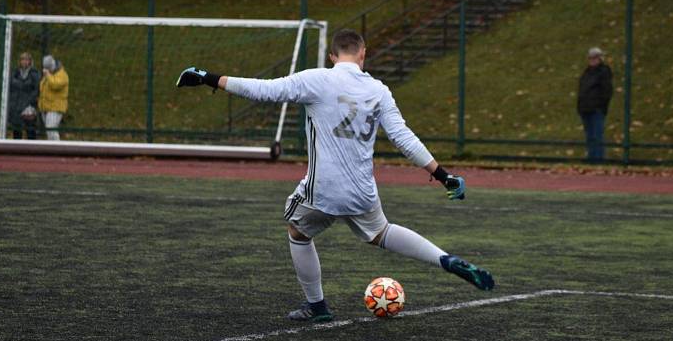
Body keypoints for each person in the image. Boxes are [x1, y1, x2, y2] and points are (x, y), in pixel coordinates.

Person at [177, 29, 495, 322]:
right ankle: (445, 260)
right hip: (362, 191)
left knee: (297, 232)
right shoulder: (379, 90)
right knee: (381, 232)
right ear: (362, 54)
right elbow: (404, 138)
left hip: (324, 189)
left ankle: (317, 307)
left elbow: (264, 90)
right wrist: (442, 175)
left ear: (332, 57)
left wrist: (210, 78)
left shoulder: (317, 79)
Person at [577, 47, 613, 162]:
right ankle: (591, 158)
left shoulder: (603, 72)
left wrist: (600, 105)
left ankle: (598, 159)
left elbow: (607, 91)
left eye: (595, 58)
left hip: (596, 109)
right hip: (585, 109)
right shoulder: (587, 72)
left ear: (600, 58)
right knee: (589, 135)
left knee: (597, 135)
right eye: (591, 58)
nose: (592, 60)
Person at [8, 52, 40, 139]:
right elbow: (11, 88)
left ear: (30, 61)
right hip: (16, 106)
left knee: (30, 131)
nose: (24, 62)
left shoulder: (34, 74)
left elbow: (37, 90)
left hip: (28, 106)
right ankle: (16, 149)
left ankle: (32, 150)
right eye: (22, 59)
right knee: (17, 131)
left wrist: (29, 101)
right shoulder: (15, 73)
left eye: (26, 59)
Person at [38, 55, 69, 140]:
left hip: (56, 107)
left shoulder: (62, 75)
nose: (47, 70)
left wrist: (47, 75)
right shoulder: (49, 75)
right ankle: (51, 149)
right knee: (48, 131)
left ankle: (57, 149)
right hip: (45, 107)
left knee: (51, 128)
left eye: (49, 68)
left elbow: (55, 85)